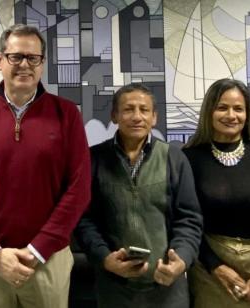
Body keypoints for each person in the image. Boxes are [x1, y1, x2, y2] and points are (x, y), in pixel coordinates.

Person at [0, 24, 91, 308]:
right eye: (16, 57)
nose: (24, 64)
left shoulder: (67, 115)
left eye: (32, 58)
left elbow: (79, 189)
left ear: (42, 64)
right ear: (0, 61)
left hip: (48, 262)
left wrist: (38, 250)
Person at [75, 83, 203, 308]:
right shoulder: (93, 159)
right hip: (114, 288)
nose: (137, 117)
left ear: (154, 117)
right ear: (114, 116)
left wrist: (180, 260)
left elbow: (189, 219)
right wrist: (105, 258)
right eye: (128, 109)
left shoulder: (174, 158)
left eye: (144, 110)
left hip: (166, 285)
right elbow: (84, 220)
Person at [183, 78, 250, 307]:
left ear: (248, 114)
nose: (231, 115)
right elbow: (187, 221)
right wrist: (217, 267)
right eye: (222, 107)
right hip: (211, 272)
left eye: (238, 108)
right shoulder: (188, 159)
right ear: (209, 111)